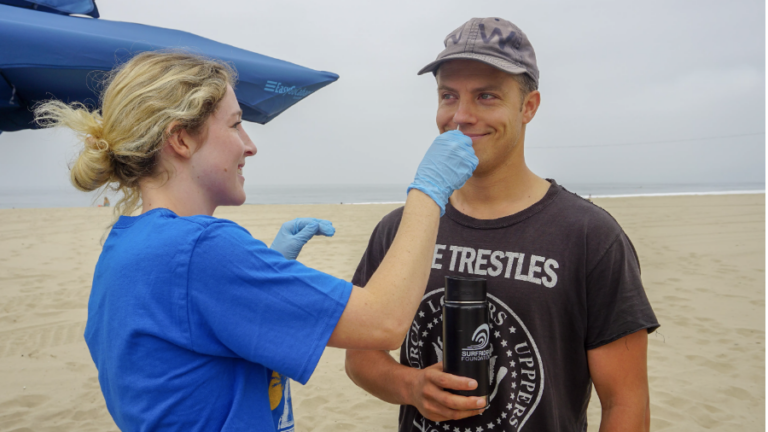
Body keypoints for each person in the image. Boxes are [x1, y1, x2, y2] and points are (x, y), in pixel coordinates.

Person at [33, 51, 478, 431]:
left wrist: (263, 275)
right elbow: (384, 321)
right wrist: (429, 190)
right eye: (236, 125)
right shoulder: (202, 250)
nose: (250, 146)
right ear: (181, 139)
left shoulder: (125, 245)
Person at [345, 17, 659, 431]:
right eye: (448, 96)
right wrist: (411, 386)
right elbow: (361, 357)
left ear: (528, 107)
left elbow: (624, 402)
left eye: (487, 96)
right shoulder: (402, 228)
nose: (461, 116)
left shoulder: (590, 236)